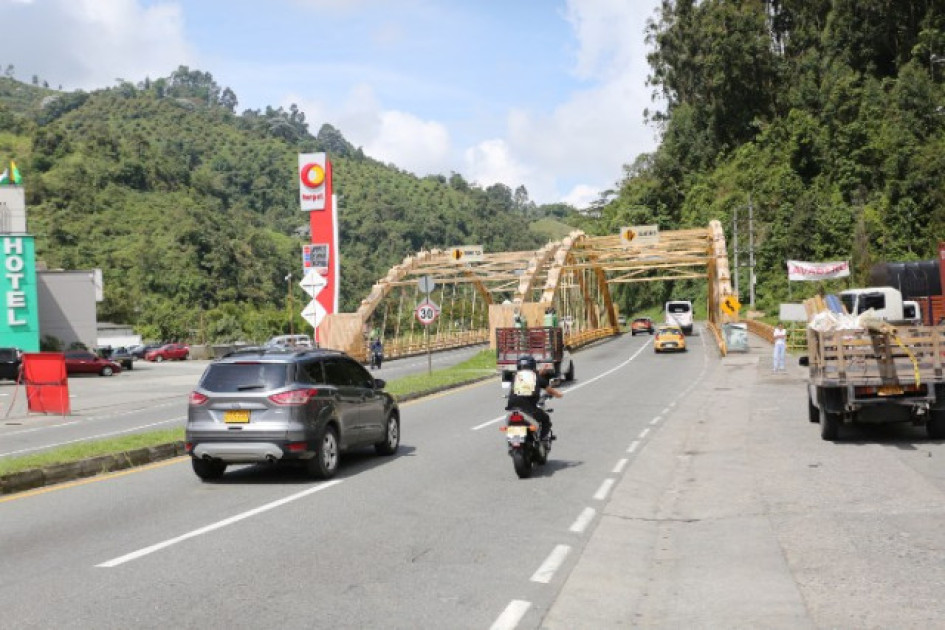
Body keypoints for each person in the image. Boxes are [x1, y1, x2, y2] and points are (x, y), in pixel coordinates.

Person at [505, 354, 563, 439]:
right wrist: (559, 395)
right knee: (545, 419)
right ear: (532, 365)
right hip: (528, 409)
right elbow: (550, 391)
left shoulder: (515, 376)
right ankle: (542, 439)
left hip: (512, 408)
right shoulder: (536, 377)